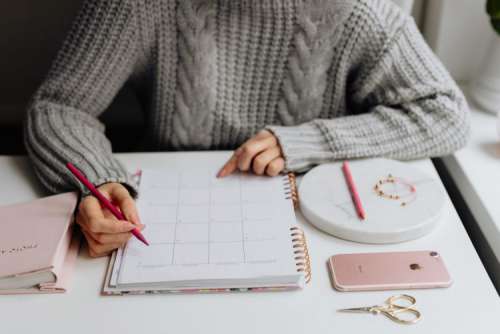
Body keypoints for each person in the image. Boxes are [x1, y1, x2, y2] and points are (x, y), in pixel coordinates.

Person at [25, 0, 470, 257]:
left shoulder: (358, 9)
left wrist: (306, 140)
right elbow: (60, 107)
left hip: (315, 231)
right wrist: (95, 182)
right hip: (157, 222)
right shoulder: (141, 5)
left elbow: (445, 113)